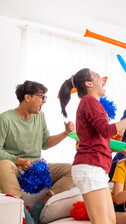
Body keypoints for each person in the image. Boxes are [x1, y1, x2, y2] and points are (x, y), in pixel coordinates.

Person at [58, 68, 126, 224]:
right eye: (97, 76)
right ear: (88, 84)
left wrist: (119, 148)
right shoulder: (89, 101)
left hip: (95, 168)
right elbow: (106, 130)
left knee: (110, 220)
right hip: (90, 167)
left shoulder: (92, 103)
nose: (103, 80)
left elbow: (99, 140)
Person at [0, 80, 75, 224]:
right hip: (16, 167)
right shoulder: (5, 119)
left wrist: (65, 133)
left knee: (74, 169)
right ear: (27, 97)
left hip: (37, 166)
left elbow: (45, 143)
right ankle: (24, 214)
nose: (44, 101)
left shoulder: (40, 116)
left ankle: (39, 208)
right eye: (42, 97)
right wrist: (19, 161)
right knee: (3, 165)